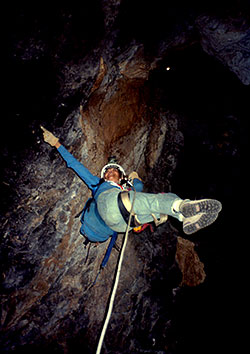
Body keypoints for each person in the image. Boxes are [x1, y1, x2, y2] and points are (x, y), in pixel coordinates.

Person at [41, 126, 222, 242]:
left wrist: (133, 180)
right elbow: (76, 165)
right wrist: (56, 143)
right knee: (153, 202)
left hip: (120, 226)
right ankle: (183, 207)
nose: (110, 173)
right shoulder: (98, 185)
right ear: (104, 177)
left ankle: (184, 216)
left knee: (162, 206)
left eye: (114, 171)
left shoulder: (127, 189)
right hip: (108, 206)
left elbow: (139, 188)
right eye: (107, 172)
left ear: (120, 177)